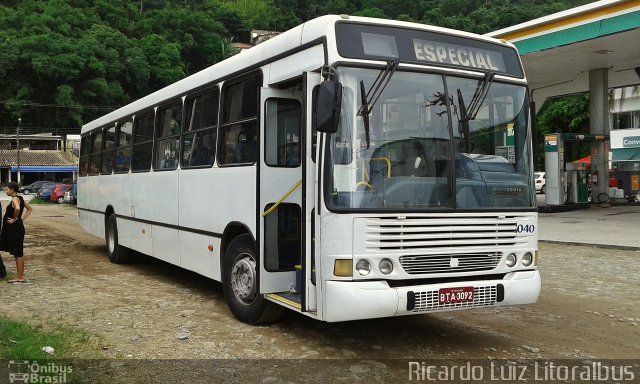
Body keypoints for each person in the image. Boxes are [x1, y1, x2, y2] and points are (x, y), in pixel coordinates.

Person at [0, 182, 33, 283]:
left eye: (7, 189)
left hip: (14, 229)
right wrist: (21, 219)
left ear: (12, 190)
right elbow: (29, 209)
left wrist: (15, 219)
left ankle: (20, 277)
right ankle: (20, 276)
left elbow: (18, 208)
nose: (5, 191)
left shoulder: (15, 199)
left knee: (18, 253)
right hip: (17, 227)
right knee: (19, 252)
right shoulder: (20, 198)